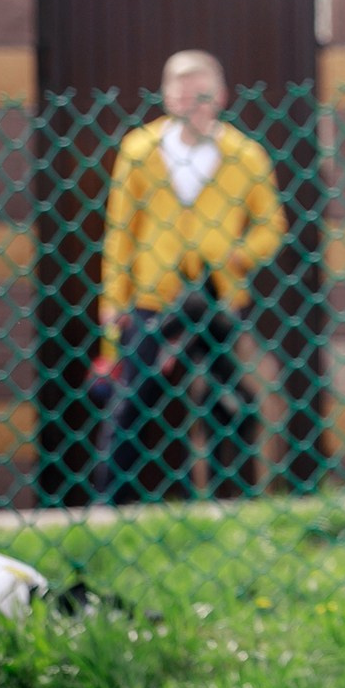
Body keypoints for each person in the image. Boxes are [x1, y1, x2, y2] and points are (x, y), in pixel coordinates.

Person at [97, 49, 285, 503]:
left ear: (219, 96)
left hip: (219, 292)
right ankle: (110, 500)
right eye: (180, 94)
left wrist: (238, 255)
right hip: (153, 293)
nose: (190, 104)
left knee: (228, 396)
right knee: (134, 397)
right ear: (166, 97)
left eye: (200, 94)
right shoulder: (139, 151)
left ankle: (232, 496)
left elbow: (271, 226)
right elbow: (120, 229)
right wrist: (112, 298)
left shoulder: (244, 154)